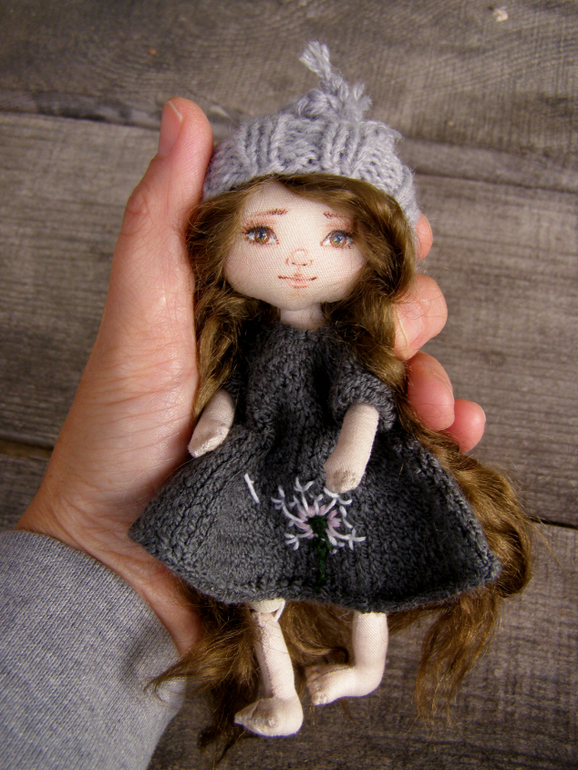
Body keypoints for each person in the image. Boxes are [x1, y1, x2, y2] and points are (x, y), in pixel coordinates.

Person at [0, 97, 486, 769]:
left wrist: (353, 447)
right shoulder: (248, 339)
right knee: (259, 597)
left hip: (340, 468)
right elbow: (233, 390)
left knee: (366, 578)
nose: (298, 259)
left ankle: (365, 670)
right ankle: (280, 695)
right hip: (259, 470)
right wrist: (215, 419)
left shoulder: (348, 344)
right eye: (261, 233)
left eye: (337, 238)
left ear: (381, 250)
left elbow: (365, 399)